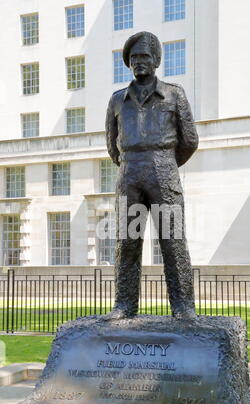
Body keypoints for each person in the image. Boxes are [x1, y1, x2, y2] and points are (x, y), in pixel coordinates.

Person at [105, 31, 199, 320]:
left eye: (144, 56)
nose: (139, 62)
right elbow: (112, 144)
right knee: (127, 241)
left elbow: (190, 140)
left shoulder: (174, 94)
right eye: (134, 58)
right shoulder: (118, 100)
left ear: (157, 59)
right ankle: (124, 305)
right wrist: (131, 162)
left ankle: (183, 306)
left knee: (172, 240)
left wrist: (166, 162)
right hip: (129, 172)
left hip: (163, 169)